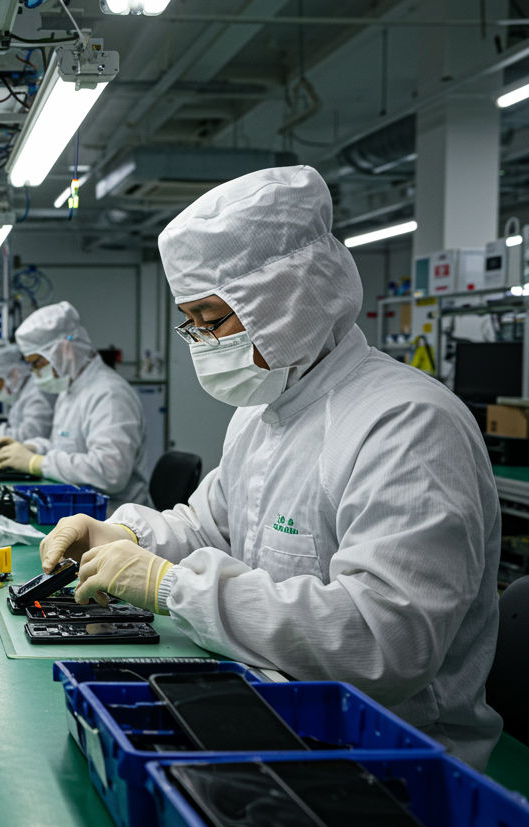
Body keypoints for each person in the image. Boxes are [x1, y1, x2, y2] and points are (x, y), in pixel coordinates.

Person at [39, 166, 502, 768]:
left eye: (212, 320)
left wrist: (169, 585)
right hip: (278, 720)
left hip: (394, 765)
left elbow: (384, 642)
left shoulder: (407, 424)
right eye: (191, 323)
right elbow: (210, 526)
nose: (201, 342)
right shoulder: (262, 415)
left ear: (287, 297)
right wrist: (125, 535)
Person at [0, 301, 150, 507]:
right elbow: (64, 447)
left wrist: (37, 463)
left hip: (114, 514)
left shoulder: (109, 394)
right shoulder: (70, 390)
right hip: (78, 507)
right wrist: (32, 448)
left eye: (37, 362)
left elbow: (110, 472)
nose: (34, 372)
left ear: (62, 350)